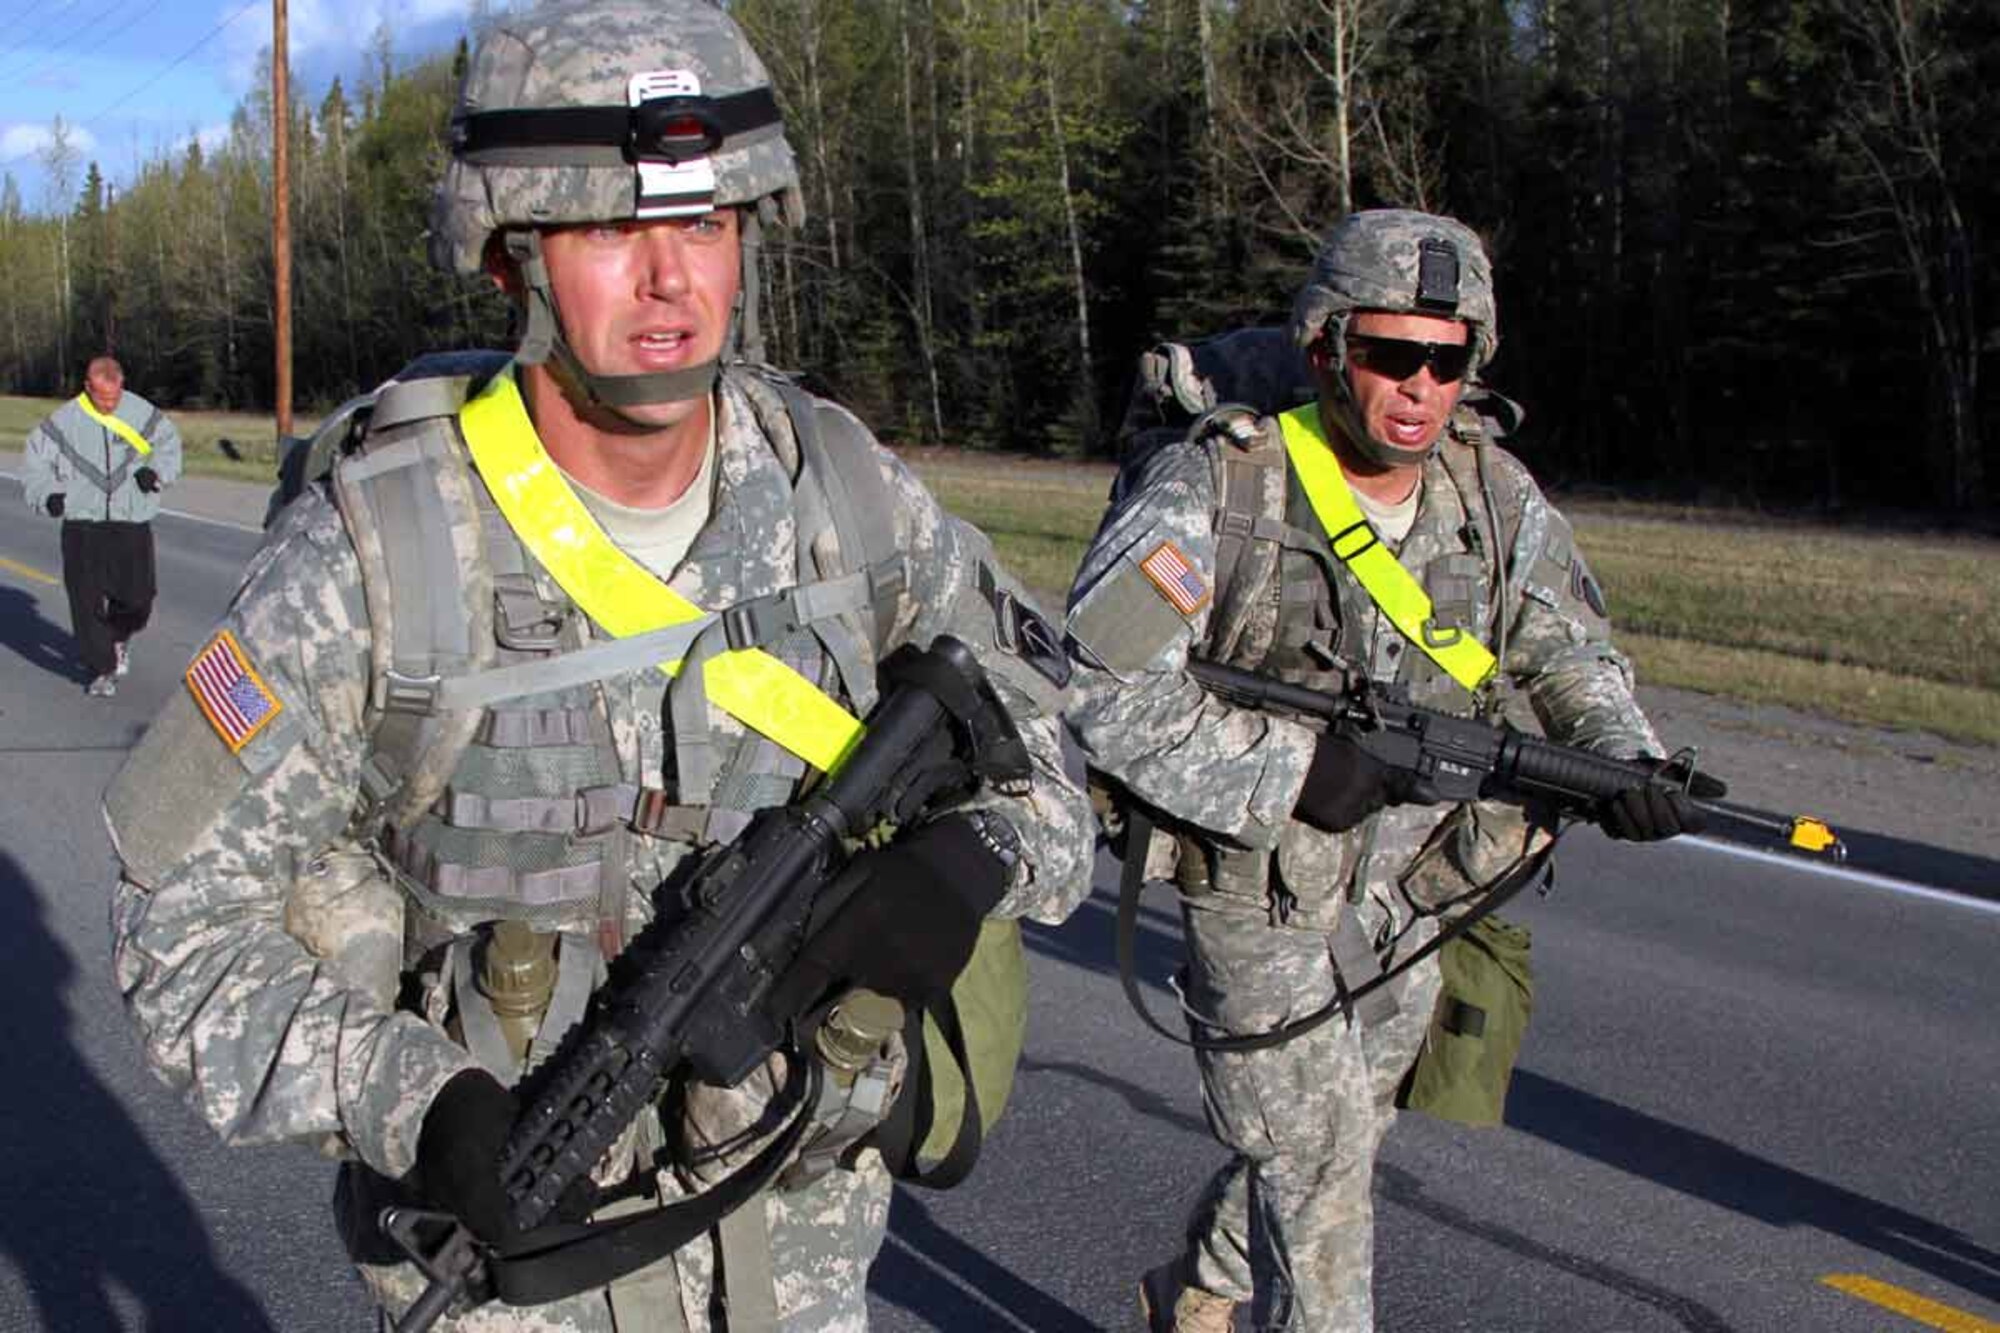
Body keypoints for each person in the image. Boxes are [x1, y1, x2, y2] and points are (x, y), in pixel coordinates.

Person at [103, 3, 1093, 1329]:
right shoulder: (381, 553)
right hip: (517, 1279)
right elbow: (176, 926)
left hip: (796, 1263)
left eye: (703, 224)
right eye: (612, 230)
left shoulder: (846, 500)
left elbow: (1051, 743)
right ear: (511, 255)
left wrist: (965, 869)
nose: (671, 279)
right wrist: (418, 1095)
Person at [1063, 209, 1703, 1332]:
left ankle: (1201, 1289)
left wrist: (1623, 761)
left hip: (1418, 883)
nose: (1416, 386)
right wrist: (1291, 767)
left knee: (1347, 1127)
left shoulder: (1492, 497)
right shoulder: (1222, 486)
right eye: (1387, 353)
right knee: (1312, 1167)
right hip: (1252, 877)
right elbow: (1098, 682)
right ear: (1325, 349)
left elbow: (1562, 646)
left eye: (1444, 360)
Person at [21, 354, 182, 697]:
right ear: (87, 388)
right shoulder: (64, 421)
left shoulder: (143, 414)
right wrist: (48, 495)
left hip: (131, 521)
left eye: (114, 397)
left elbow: (169, 448)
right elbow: (35, 463)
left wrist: (156, 474)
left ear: (122, 384)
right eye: (101, 398)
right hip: (82, 524)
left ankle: (118, 636)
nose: (109, 404)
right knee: (85, 602)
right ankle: (102, 670)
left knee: (139, 601)